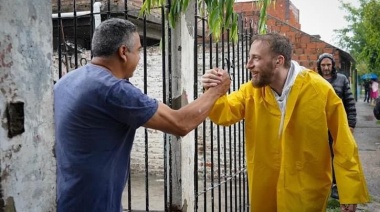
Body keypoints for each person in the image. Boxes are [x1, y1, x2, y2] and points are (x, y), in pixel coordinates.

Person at [54, 18, 230, 212]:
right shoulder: (114, 90)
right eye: (138, 51)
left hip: (67, 197)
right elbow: (181, 123)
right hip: (96, 205)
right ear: (123, 52)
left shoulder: (67, 81)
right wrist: (217, 90)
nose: (139, 57)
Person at [201, 33, 369, 211]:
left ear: (278, 61)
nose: (248, 64)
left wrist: (349, 190)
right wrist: (214, 90)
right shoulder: (251, 91)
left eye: (255, 58)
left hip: (306, 192)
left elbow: (344, 142)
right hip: (265, 191)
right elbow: (224, 114)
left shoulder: (318, 89)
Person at [316, 53, 357, 200]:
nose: (326, 68)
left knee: (338, 155)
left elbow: (350, 103)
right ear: (319, 67)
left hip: (338, 126)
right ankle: (323, 184)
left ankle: (337, 186)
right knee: (322, 155)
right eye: (323, 65)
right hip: (320, 127)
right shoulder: (315, 80)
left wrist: (351, 124)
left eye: (328, 65)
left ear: (333, 65)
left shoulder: (342, 79)